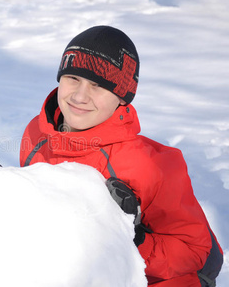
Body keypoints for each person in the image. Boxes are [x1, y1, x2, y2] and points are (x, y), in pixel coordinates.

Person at [19, 25, 223, 286]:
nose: (80, 96)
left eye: (98, 86)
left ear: (122, 98)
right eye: (73, 79)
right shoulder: (37, 133)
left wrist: (132, 236)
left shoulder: (151, 166)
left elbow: (194, 252)